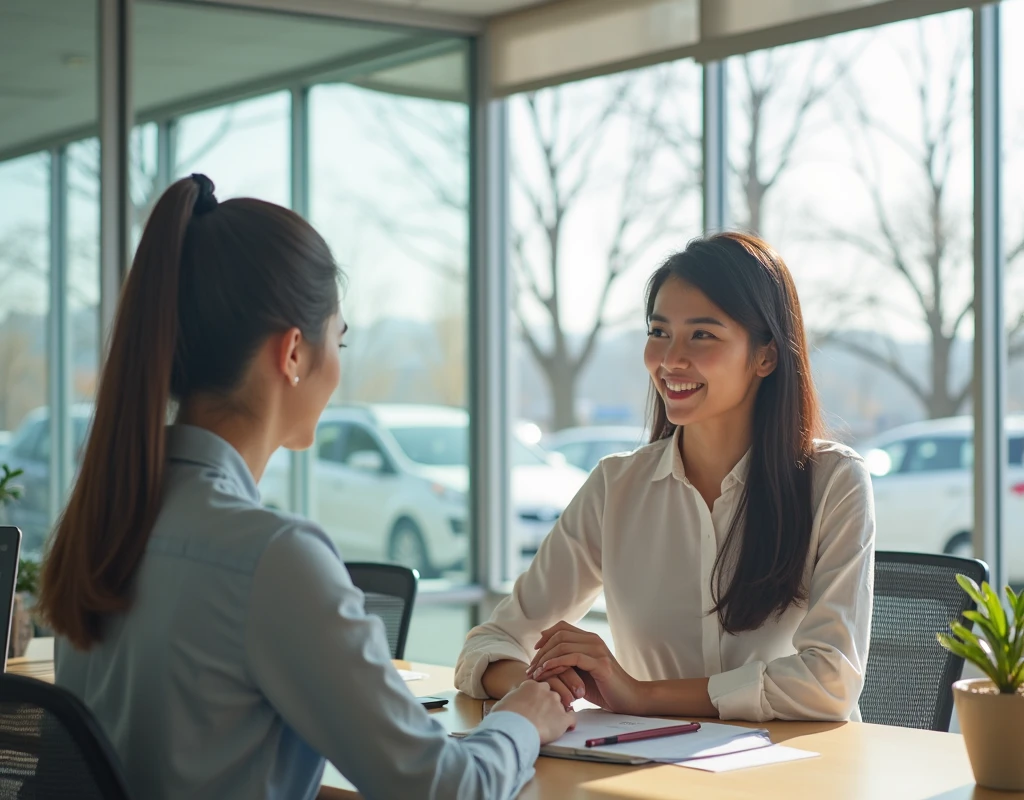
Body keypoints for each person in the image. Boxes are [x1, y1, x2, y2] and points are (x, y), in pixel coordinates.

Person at [36, 175, 574, 800]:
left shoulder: (101, 526)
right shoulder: (271, 557)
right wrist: (521, 722)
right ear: (293, 352)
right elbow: (441, 789)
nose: (339, 366)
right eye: (337, 339)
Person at [456, 232, 875, 723]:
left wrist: (640, 695)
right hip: (652, 773)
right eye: (658, 332)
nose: (671, 358)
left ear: (765, 356)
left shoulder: (834, 483)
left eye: (702, 335)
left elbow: (829, 683)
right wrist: (542, 685)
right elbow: (488, 644)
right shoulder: (616, 487)